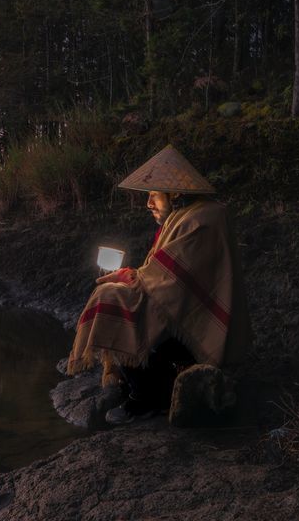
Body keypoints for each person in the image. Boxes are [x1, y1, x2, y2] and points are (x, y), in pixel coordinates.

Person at [67, 144, 252, 424]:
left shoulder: (206, 218)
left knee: (110, 299)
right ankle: (146, 381)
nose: (148, 204)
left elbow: (172, 285)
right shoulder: (183, 217)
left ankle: (145, 399)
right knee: (115, 294)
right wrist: (132, 276)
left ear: (174, 193)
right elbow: (162, 275)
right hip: (180, 315)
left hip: (198, 327)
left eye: (153, 195)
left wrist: (130, 278)